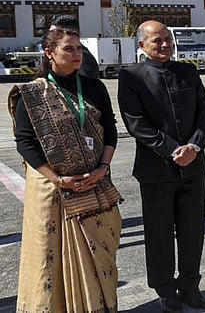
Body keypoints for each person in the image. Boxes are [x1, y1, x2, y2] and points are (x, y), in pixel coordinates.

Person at [9, 27, 123, 312]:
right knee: (51, 258)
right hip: (52, 190)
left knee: (101, 250)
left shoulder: (94, 87)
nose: (76, 54)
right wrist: (58, 179)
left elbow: (110, 129)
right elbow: (25, 143)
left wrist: (103, 167)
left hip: (95, 182)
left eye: (79, 48)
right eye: (69, 49)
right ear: (49, 53)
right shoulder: (32, 93)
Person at [118, 21, 205, 313]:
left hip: (193, 165)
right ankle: (166, 290)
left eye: (168, 39)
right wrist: (172, 150)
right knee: (159, 233)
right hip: (156, 169)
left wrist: (194, 146)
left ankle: (190, 285)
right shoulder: (132, 76)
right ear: (142, 45)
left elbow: (204, 111)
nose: (165, 45)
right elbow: (136, 123)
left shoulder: (188, 72)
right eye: (157, 40)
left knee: (192, 230)